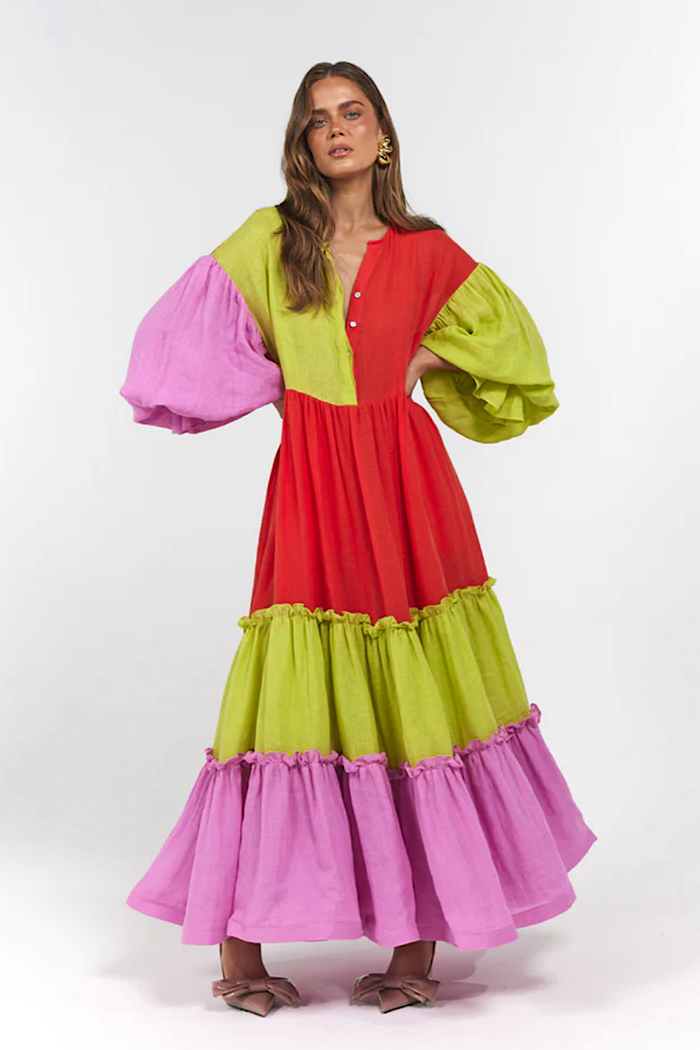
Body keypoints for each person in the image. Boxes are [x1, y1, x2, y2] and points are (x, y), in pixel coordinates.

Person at [119, 60, 597, 1017]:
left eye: (353, 112)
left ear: (382, 136)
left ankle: (415, 948)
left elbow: (521, 357)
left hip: (408, 489)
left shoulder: (426, 250)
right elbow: (175, 343)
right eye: (318, 118)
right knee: (284, 692)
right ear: (303, 143)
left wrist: (424, 356)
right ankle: (240, 953)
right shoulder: (270, 242)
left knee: (419, 694)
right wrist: (275, 383)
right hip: (312, 486)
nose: (336, 128)